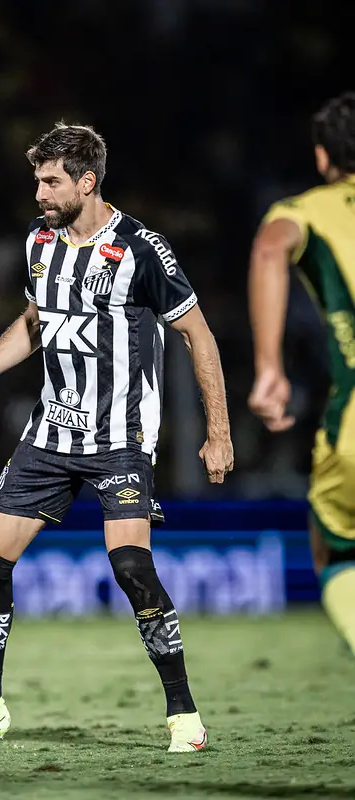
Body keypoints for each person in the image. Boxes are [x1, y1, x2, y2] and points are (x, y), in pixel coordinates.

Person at [0, 123, 234, 751]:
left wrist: (217, 432)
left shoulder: (142, 249)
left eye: (51, 182)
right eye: (37, 180)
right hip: (50, 432)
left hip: (119, 437)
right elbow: (35, 323)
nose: (39, 193)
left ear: (88, 183)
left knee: (131, 567)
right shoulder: (39, 241)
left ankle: (183, 715)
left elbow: (199, 335)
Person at [248, 91, 355, 656]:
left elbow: (270, 251)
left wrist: (270, 367)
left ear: (322, 156)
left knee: (334, 545)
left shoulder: (306, 210)